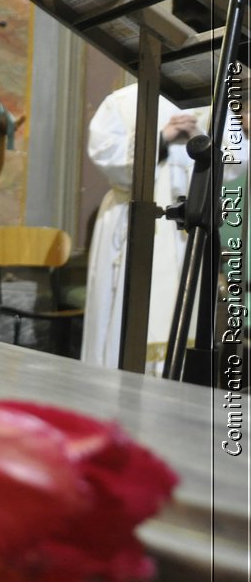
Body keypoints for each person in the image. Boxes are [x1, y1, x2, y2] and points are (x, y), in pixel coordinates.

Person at [82, 83, 206, 373]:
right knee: (124, 309)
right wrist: (161, 139)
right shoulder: (122, 101)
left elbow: (237, 157)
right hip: (133, 220)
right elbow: (106, 157)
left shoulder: (207, 99)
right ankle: (115, 388)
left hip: (187, 231)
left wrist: (199, 139)